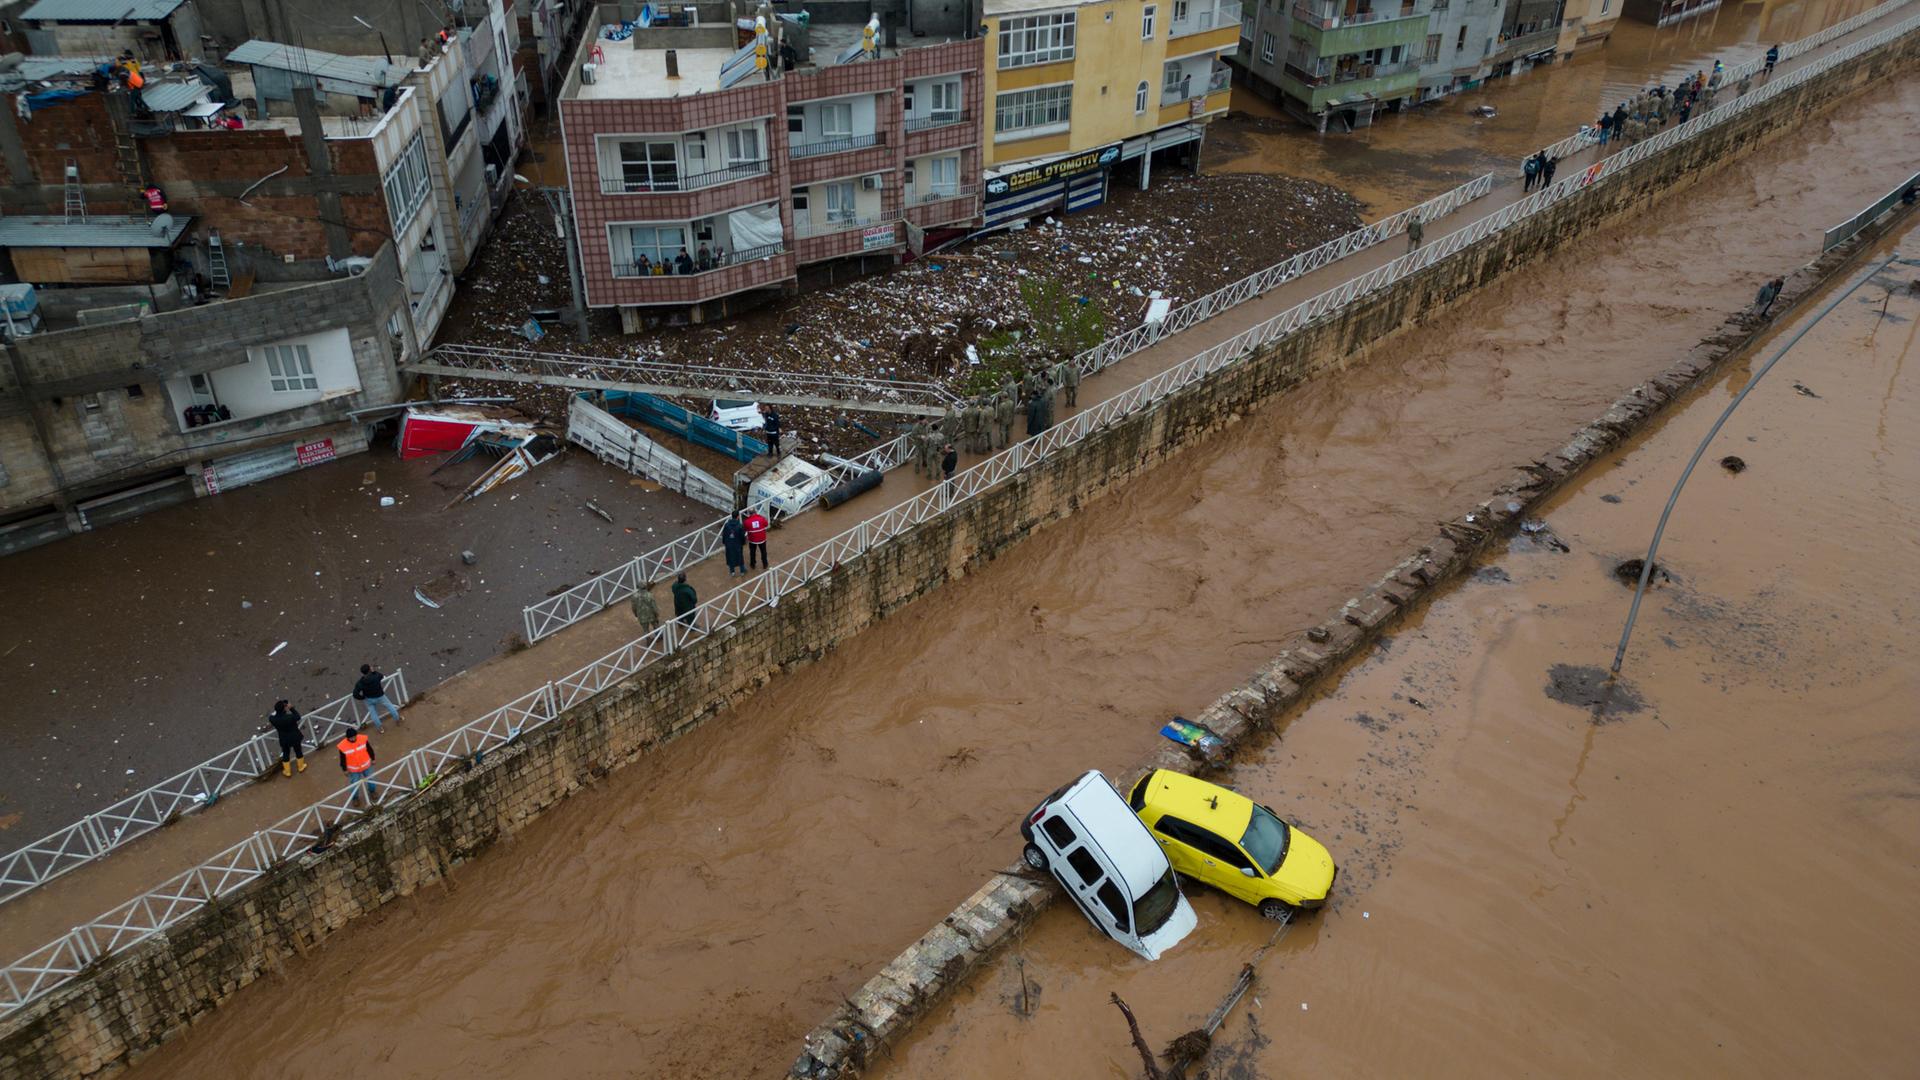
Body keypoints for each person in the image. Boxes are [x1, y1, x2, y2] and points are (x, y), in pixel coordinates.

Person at [338, 723, 377, 807]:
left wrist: (373, 758)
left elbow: (369, 749)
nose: (353, 739)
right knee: (354, 784)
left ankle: (372, 792)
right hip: (354, 770)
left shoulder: (362, 739)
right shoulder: (343, 746)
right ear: (347, 738)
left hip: (366, 765)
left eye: (354, 736)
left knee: (371, 780)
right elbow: (342, 759)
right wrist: (344, 769)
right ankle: (355, 798)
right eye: (351, 738)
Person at [353, 664, 400, 731]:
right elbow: (381, 676)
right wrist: (374, 672)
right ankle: (397, 720)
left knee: (373, 714)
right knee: (390, 706)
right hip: (380, 696)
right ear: (369, 670)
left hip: (369, 699)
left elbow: (355, 694)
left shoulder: (360, 682)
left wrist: (362, 697)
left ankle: (380, 728)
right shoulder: (375, 676)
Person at [268, 699, 306, 776]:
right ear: (284, 708)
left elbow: (271, 715)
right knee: (298, 751)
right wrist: (291, 708)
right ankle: (301, 767)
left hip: (284, 739)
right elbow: (298, 716)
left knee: (286, 753)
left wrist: (278, 711)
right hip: (294, 737)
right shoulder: (290, 717)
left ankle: (287, 771)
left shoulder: (273, 719)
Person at [721, 512, 747, 576]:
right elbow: (742, 536)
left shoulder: (727, 525)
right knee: (740, 557)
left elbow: (724, 534)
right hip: (737, 544)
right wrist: (743, 543)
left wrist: (724, 542)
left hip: (729, 544)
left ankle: (732, 572)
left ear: (732, 516)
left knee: (730, 557)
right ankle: (742, 571)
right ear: (738, 517)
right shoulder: (740, 525)